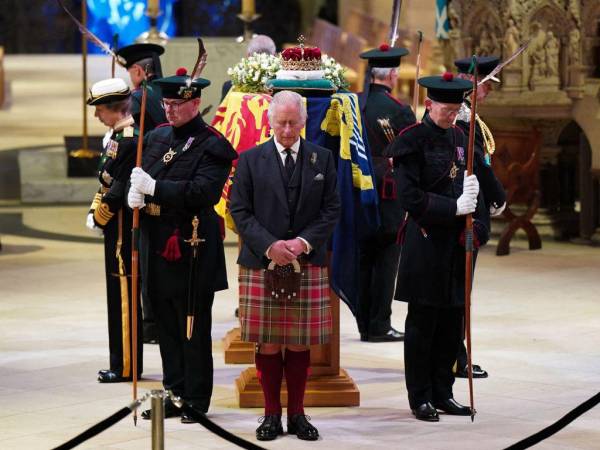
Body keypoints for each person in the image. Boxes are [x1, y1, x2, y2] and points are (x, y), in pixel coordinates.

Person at [127, 68, 237, 423]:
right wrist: (135, 195)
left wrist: (154, 189)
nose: (170, 110)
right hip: (157, 244)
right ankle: (174, 392)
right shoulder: (158, 138)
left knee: (191, 327)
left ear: (195, 103)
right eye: (166, 104)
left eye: (176, 104)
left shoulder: (213, 146)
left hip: (192, 247)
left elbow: (201, 192)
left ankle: (196, 398)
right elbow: (146, 176)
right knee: (165, 328)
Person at [229, 90, 340, 441]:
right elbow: (239, 211)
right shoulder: (249, 160)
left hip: (306, 261)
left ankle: (298, 414)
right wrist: (270, 246)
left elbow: (332, 209)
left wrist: (302, 243)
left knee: (298, 343)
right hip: (261, 263)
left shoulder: (322, 159)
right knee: (269, 343)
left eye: (294, 123)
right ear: (270, 121)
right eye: (282, 123)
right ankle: (271, 415)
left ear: (304, 122)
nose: (288, 130)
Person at [389, 73, 485, 422]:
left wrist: (479, 222)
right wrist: (452, 208)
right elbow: (409, 197)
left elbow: (476, 188)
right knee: (423, 323)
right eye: (446, 108)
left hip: (457, 246)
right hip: (426, 241)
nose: (452, 114)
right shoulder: (410, 142)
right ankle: (421, 397)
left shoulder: (463, 136)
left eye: (457, 108)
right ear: (429, 104)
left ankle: (444, 392)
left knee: (451, 323)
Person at [356, 44, 416, 342]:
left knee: (364, 257)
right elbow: (412, 154)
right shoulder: (399, 110)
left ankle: (365, 322)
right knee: (387, 259)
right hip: (388, 191)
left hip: (358, 188)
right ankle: (380, 325)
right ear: (392, 75)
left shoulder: (355, 104)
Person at [85, 77, 143, 383]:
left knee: (123, 297)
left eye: (99, 110)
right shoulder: (119, 136)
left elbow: (117, 188)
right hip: (115, 227)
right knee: (117, 295)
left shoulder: (128, 139)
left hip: (121, 231)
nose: (96, 116)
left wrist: (100, 215)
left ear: (114, 109)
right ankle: (121, 362)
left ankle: (126, 366)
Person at [454, 56, 507, 379]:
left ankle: (457, 353)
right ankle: (455, 356)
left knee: (462, 292)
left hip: (473, 209)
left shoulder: (468, 116)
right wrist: (498, 197)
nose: (487, 92)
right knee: (458, 292)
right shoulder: (461, 121)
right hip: (464, 213)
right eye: (485, 85)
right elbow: (478, 165)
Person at [116, 42, 168, 344]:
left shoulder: (138, 97)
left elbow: (128, 140)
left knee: (145, 254)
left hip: (145, 178)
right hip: (170, 180)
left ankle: (150, 324)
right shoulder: (169, 92)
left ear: (137, 71)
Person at [221, 34, 277, 100]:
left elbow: (222, 109)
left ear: (248, 55)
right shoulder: (282, 87)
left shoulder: (229, 87)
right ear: (274, 55)